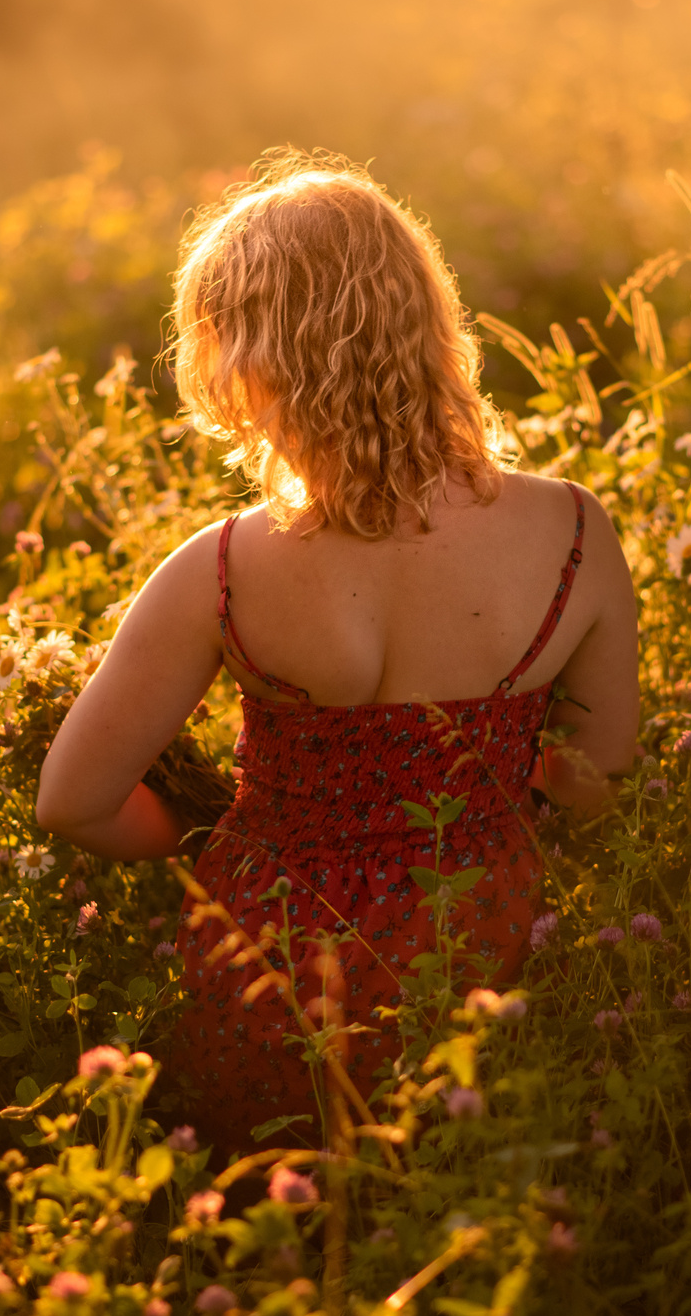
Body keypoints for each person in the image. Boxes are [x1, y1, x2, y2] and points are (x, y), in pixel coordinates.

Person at [35, 151, 639, 1149]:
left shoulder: (222, 567)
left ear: (247, 358)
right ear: (427, 322)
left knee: (270, 1245)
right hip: (485, 961)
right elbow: (596, 774)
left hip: (270, 974)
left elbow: (74, 800)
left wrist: (205, 845)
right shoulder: (572, 530)